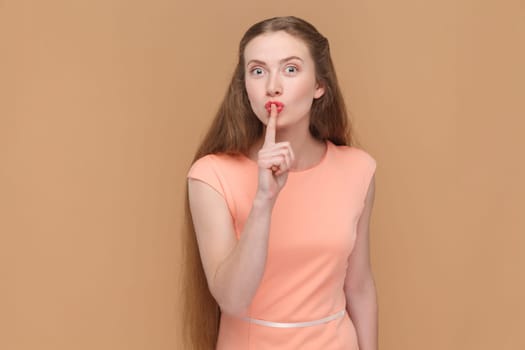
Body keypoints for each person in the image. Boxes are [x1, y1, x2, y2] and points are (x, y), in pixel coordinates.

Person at [182, 16, 378, 350]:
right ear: (245, 87)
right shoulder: (211, 175)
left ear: (320, 86)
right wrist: (263, 201)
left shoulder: (358, 169)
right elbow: (232, 300)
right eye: (257, 71)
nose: (272, 85)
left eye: (290, 69)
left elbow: (359, 287)